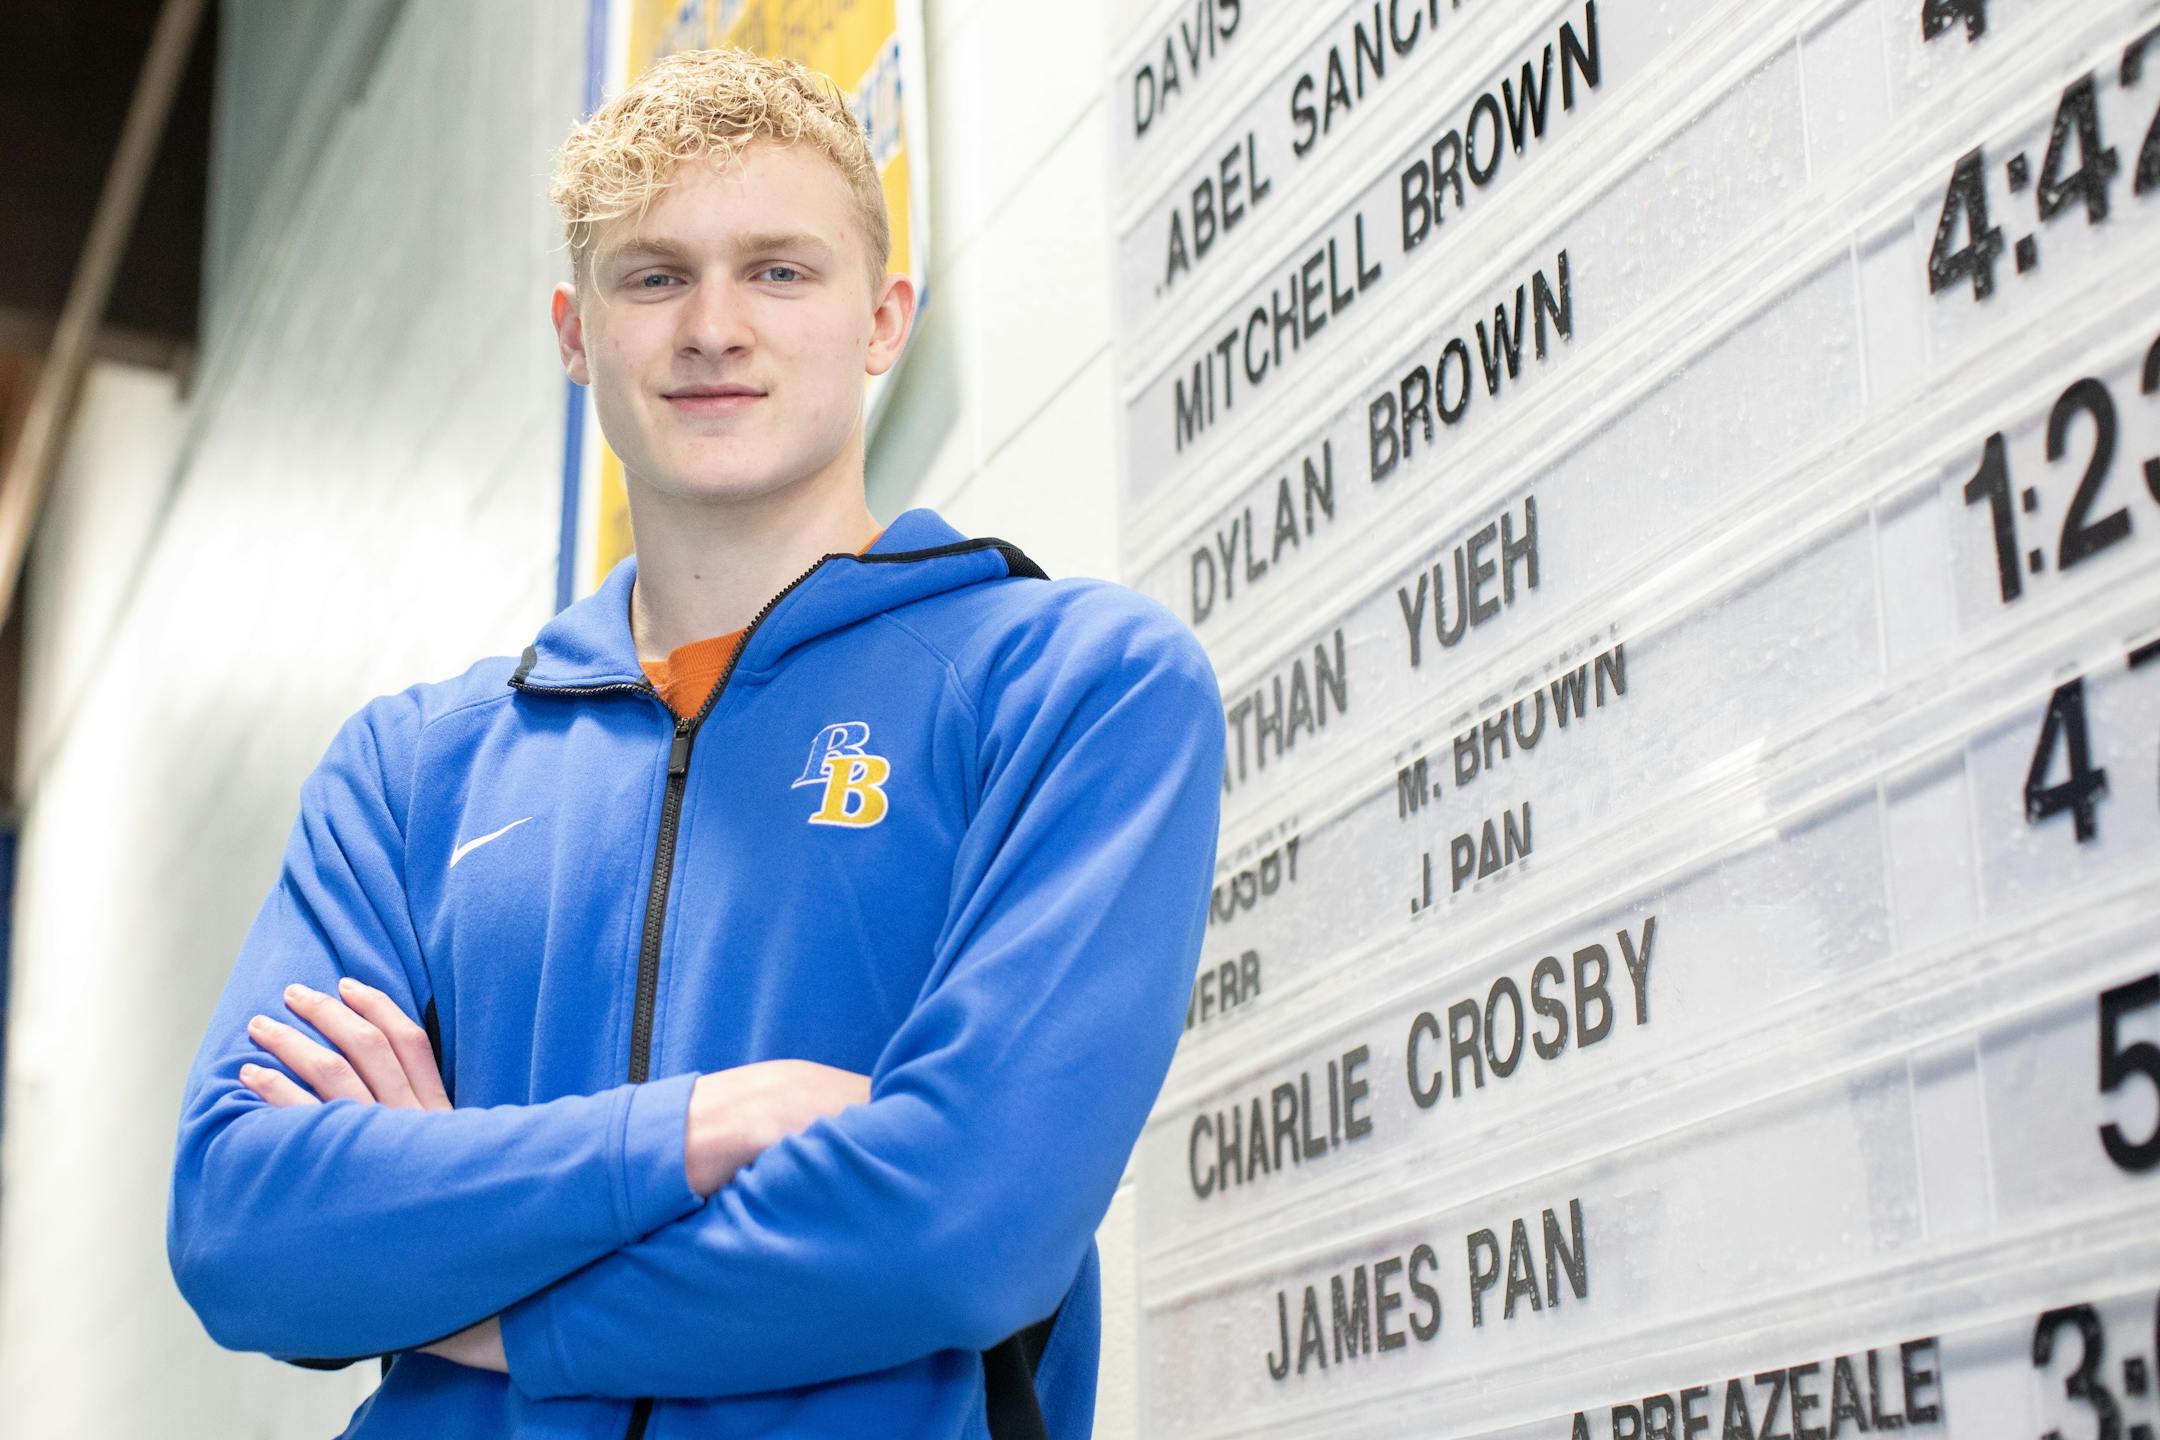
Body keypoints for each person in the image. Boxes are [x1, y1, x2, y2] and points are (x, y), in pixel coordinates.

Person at [166, 47, 1223, 1440]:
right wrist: (695, 1127)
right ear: (573, 330)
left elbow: (963, 1224)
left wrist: (467, 1284)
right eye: (654, 276)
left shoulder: (1072, 687)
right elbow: (246, 1227)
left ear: (883, 319)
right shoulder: (415, 772)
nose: (714, 327)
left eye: (779, 271)